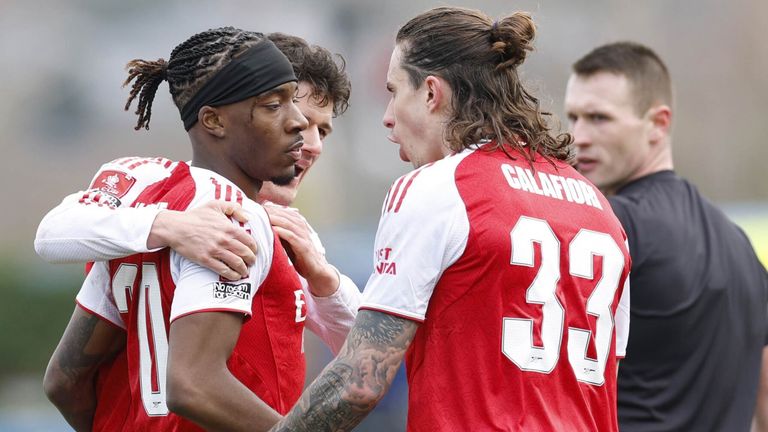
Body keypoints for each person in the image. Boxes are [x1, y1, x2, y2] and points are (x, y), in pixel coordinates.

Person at [270, 7, 631, 431]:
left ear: (431, 93)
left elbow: (359, 382)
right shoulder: (598, 206)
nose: (387, 115)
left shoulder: (438, 187)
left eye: (393, 90)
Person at [36, 27, 353, 432]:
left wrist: (325, 279)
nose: (307, 139)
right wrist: (168, 225)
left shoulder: (148, 206)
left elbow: (65, 381)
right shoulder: (231, 216)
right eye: (279, 107)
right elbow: (193, 385)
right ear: (216, 118)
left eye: (320, 130)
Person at [564, 41, 768, 431]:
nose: (578, 137)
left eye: (599, 118)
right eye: (573, 118)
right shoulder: (741, 245)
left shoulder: (609, 226)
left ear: (658, 123)